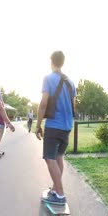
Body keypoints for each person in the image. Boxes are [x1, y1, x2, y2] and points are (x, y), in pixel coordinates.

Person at [35, 51, 76, 205]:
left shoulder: (48, 78)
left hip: (54, 125)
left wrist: (38, 125)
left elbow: (44, 103)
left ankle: (60, 194)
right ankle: (54, 189)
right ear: (63, 62)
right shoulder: (70, 82)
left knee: (49, 158)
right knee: (58, 157)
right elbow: (73, 104)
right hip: (67, 126)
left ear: (51, 61)